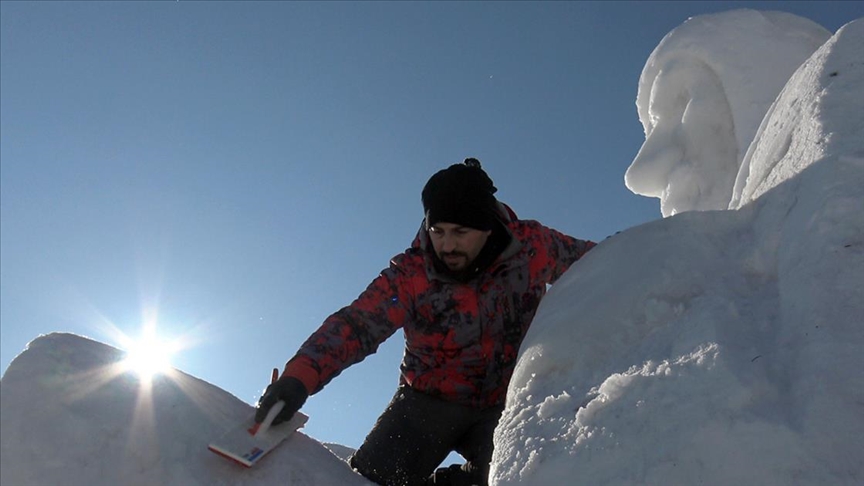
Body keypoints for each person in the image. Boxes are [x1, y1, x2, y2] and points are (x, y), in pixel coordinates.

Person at [255, 158, 596, 486]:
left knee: (533, 475)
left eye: (460, 232)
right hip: (427, 401)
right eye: (438, 231)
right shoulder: (412, 275)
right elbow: (357, 325)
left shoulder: (531, 249)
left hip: (506, 404)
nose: (447, 245)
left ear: (487, 228)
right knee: (367, 480)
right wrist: (298, 379)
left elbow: (606, 263)